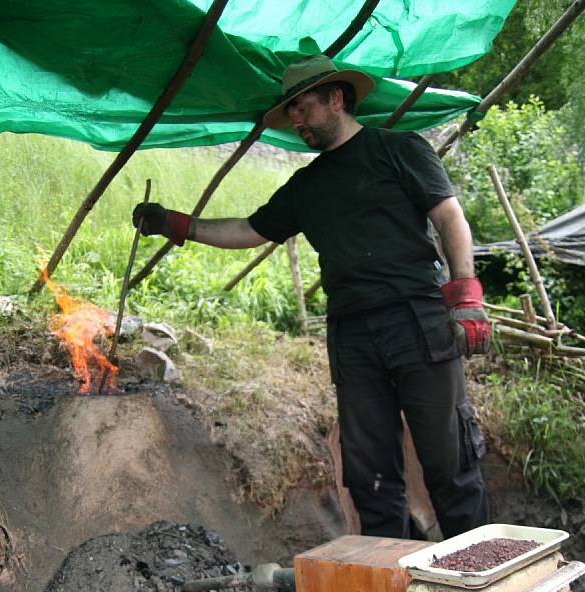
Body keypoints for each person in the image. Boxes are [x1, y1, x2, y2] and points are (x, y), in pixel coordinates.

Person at [133, 54, 491, 539]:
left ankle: (481, 591)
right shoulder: (307, 186)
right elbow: (250, 230)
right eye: (292, 112)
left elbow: (450, 218)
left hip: (419, 322)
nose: (295, 120)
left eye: (301, 108)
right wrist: (180, 225)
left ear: (336, 98)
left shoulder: (399, 149)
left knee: (451, 468)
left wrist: (465, 293)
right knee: (372, 482)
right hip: (352, 335)